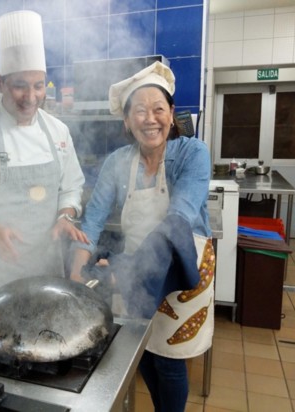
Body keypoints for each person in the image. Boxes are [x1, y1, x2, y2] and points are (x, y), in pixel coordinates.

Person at [70, 61, 215, 412]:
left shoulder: (192, 153)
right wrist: (75, 274)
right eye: (139, 111)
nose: (150, 119)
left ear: (171, 114)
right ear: (127, 121)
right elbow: (92, 220)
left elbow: (177, 219)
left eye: (158, 109)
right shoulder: (118, 162)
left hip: (184, 267)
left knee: (168, 359)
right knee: (142, 352)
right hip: (137, 266)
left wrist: (127, 269)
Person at [0, 10, 87, 296]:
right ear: (0, 82)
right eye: (20, 86)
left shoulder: (57, 131)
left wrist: (65, 216)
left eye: (38, 86)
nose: (31, 97)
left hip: (45, 269)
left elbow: (72, 186)